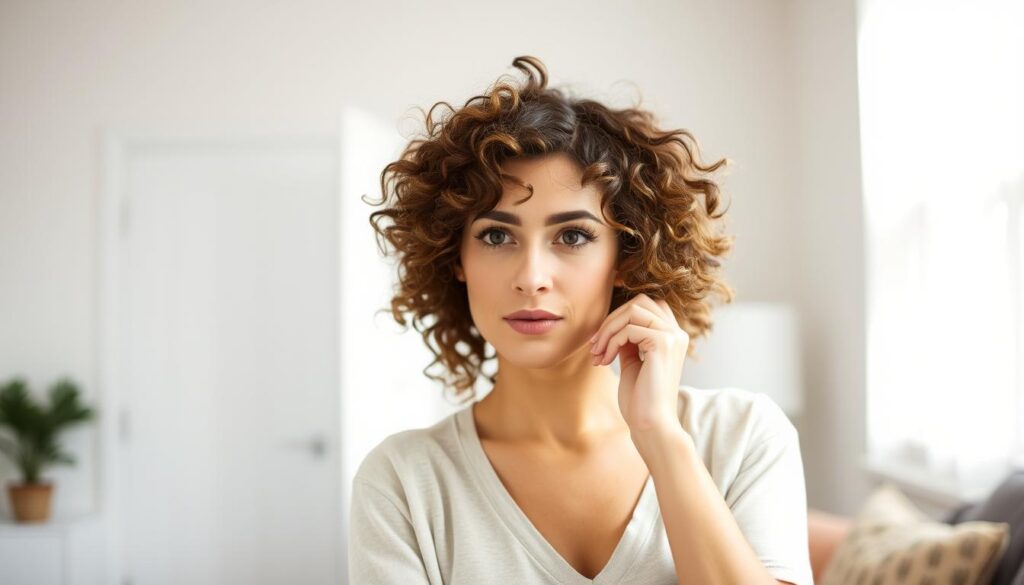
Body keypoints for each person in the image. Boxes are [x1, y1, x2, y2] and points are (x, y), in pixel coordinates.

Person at [351, 55, 813, 585]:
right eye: (497, 236)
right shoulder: (402, 484)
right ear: (456, 259)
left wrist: (661, 438)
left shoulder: (742, 437)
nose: (532, 278)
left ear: (626, 258)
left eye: (572, 236)